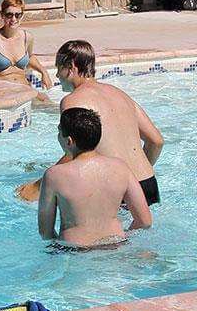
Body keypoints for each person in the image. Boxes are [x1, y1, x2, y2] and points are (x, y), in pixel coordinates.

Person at [17, 40, 164, 206]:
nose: (57, 75)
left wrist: (38, 188)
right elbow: (156, 141)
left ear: (71, 67)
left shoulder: (72, 101)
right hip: (150, 186)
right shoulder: (120, 94)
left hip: (119, 190)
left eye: (59, 68)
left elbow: (75, 153)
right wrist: (136, 174)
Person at [37, 107, 153, 249]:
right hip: (116, 246)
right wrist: (120, 239)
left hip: (75, 251)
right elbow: (145, 221)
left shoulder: (54, 175)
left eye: (59, 132)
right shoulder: (120, 167)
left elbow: (45, 232)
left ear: (69, 141)